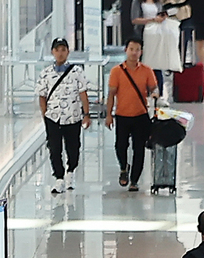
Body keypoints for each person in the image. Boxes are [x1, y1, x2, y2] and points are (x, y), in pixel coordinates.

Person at [104, 40, 158, 192]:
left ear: (141, 51)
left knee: (139, 148)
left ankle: (134, 180)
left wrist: (155, 93)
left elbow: (154, 87)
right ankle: (123, 167)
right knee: (120, 145)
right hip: (122, 115)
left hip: (141, 115)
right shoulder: (117, 71)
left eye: (137, 49)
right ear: (126, 50)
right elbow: (111, 94)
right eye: (131, 49)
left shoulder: (147, 70)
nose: (134, 52)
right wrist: (109, 115)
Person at [39, 38, 91, 192]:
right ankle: (59, 177)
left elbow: (83, 94)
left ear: (68, 52)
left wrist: (86, 114)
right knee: (54, 148)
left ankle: (70, 172)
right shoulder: (46, 73)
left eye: (63, 50)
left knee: (73, 147)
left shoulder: (77, 72)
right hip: (53, 117)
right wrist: (45, 114)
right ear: (52, 52)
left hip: (73, 116)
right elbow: (42, 95)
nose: (60, 53)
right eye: (57, 50)